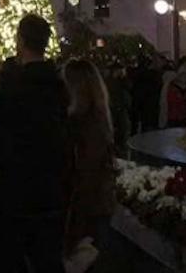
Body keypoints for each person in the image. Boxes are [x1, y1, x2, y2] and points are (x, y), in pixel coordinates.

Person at [0, 14, 69, 273]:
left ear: (20, 41)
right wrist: (0, 69)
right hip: (47, 190)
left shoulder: (12, 84)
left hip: (9, 193)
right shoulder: (56, 85)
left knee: (5, 259)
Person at [62, 59, 118, 263]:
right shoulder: (99, 122)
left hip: (85, 212)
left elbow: (85, 177)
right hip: (98, 207)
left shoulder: (79, 127)